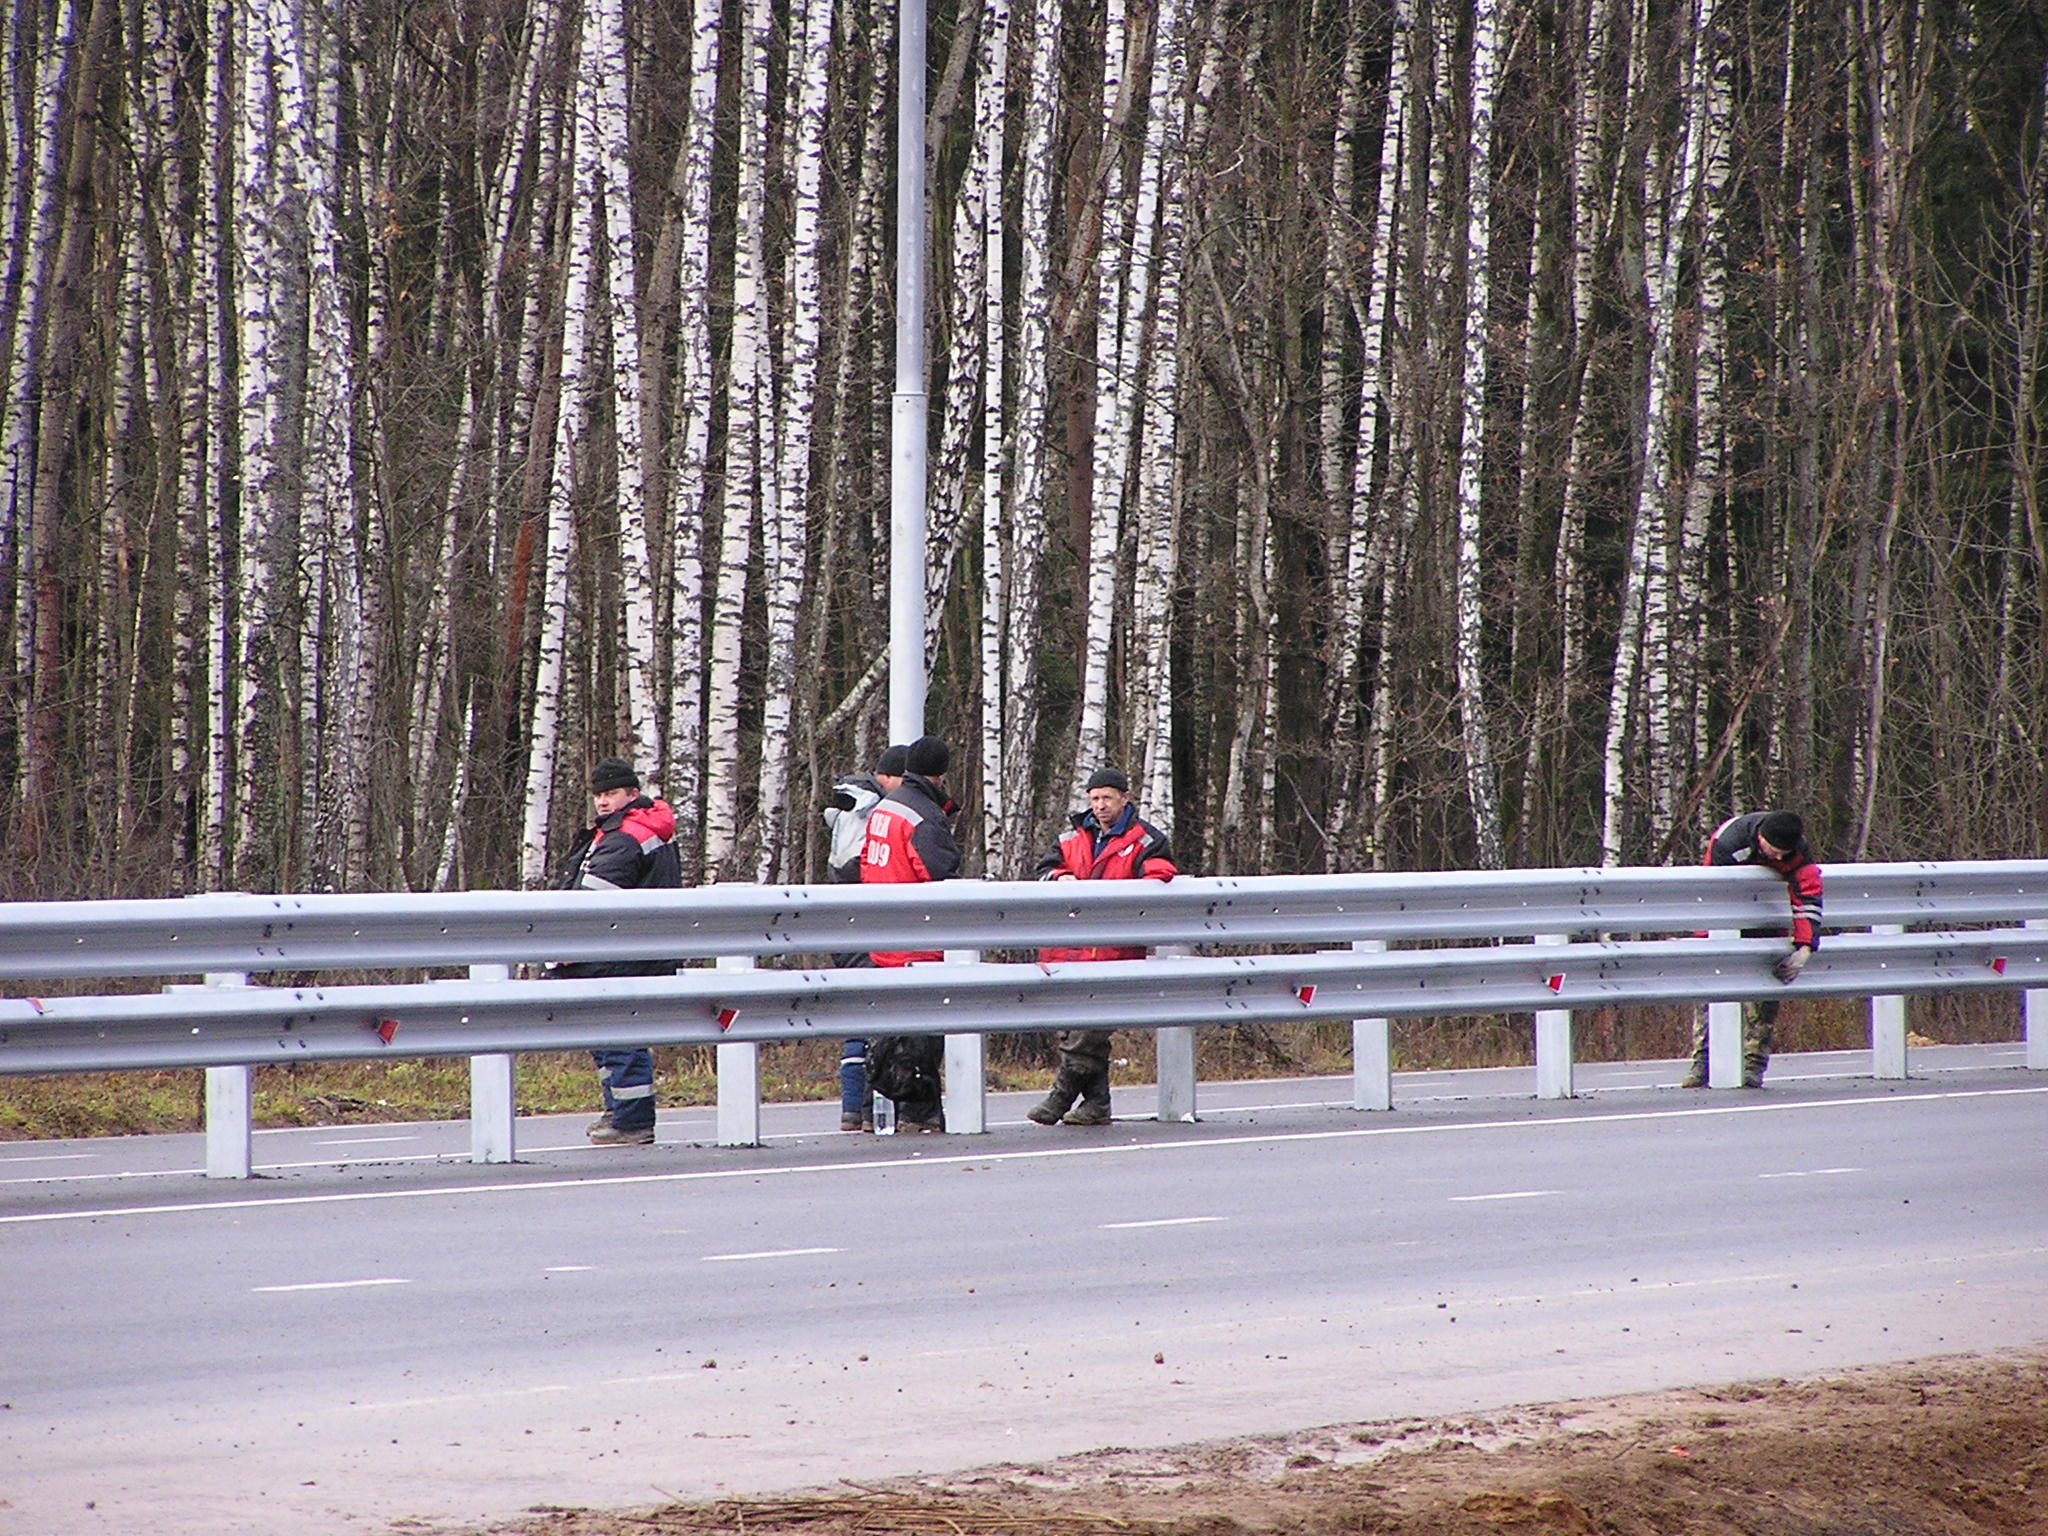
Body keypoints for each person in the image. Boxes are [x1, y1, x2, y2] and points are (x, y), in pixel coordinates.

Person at [1026, 767, 1177, 1127]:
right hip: (1068, 949)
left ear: (1125, 798)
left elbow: (1159, 876)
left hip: (1112, 951)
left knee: (1088, 1032)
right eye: (1094, 798)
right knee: (1073, 1030)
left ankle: (1060, 1097)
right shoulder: (1070, 836)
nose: (1100, 805)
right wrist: (1060, 876)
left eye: (1107, 797)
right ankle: (1097, 1105)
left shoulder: (1146, 840)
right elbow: (1043, 871)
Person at [546, 757, 682, 1144]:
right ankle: (620, 1112)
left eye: (612, 794)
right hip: (634, 949)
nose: (603, 801)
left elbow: (591, 902)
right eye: (598, 795)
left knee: (615, 1033)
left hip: (618, 953)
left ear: (632, 794)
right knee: (612, 1033)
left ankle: (631, 1120)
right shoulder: (641, 827)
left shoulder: (625, 836)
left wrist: (564, 943)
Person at [857, 734, 961, 1133]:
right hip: (919, 939)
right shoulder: (923, 815)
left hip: (884, 933)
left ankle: (872, 1111)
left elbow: (866, 864)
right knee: (920, 1038)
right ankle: (919, 1113)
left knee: (888, 1031)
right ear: (939, 773)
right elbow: (938, 874)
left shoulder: (885, 807)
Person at [1683, 809, 1823, 1090]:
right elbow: (1711, 894)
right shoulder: (1729, 841)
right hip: (1722, 920)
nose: (1779, 859)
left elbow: (1808, 895)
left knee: (1765, 992)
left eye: (1784, 854)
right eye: (1774, 851)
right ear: (1760, 838)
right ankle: (1702, 1063)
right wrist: (1708, 941)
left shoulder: (1798, 849)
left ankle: (1753, 1064)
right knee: (1710, 995)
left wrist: (1805, 946)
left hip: (1768, 919)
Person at [822, 743, 907, 1130]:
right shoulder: (871, 810)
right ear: (887, 777)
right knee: (874, 1017)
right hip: (865, 925)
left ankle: (854, 1108)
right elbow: (864, 869)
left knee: (862, 1014)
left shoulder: (853, 806)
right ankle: (866, 1107)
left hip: (845, 924)